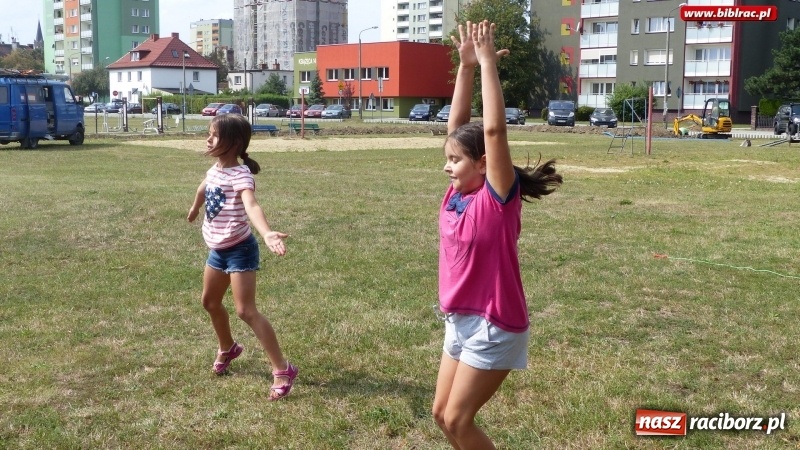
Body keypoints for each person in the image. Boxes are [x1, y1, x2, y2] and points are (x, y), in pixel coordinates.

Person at [431, 20, 563, 449]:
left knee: (458, 418)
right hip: (460, 320)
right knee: (442, 416)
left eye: (456, 160)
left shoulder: (496, 199)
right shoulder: (456, 194)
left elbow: (492, 132)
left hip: (494, 324)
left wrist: (489, 64)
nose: (447, 166)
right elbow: (459, 127)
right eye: (448, 159)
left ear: (484, 164)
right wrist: (465, 66)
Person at [187, 113, 298, 401]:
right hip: (218, 249)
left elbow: (251, 205)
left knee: (245, 311)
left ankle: (283, 370)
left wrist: (267, 233)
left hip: (239, 248)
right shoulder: (215, 169)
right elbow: (204, 186)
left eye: (214, 135)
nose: (208, 139)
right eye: (209, 133)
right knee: (209, 302)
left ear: (233, 143)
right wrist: (195, 207)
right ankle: (228, 348)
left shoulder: (240, 175)